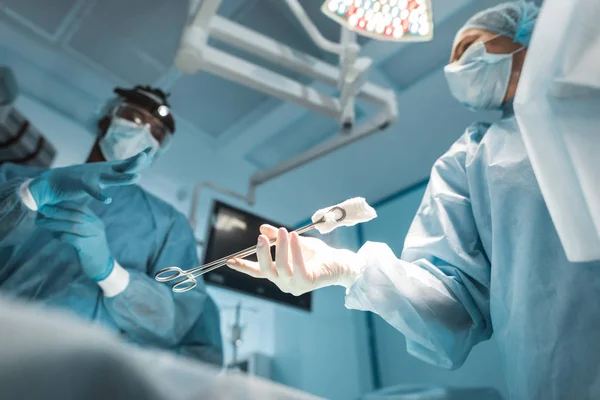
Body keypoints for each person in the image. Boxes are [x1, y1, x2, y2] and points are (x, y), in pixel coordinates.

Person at [227, 2, 600, 399]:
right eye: (455, 59)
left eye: (472, 48)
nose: (459, 66)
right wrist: (351, 269)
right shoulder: (472, 158)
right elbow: (451, 305)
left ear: (528, 36)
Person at [0, 86, 223, 365]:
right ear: (106, 118)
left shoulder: (168, 225)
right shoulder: (14, 178)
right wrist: (28, 196)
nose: (145, 134)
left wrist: (112, 274)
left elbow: (175, 319)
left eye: (157, 133)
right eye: (136, 118)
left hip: (75, 376)